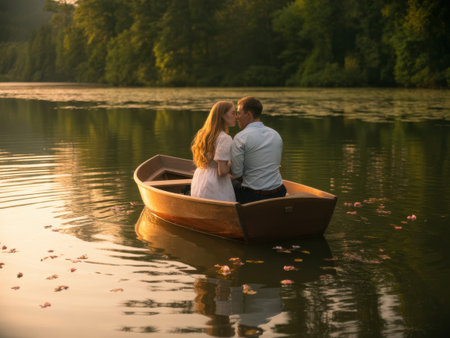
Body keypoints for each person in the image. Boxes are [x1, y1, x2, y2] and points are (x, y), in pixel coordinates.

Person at [231, 96, 286, 203]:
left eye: (239, 113)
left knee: (230, 183)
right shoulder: (275, 134)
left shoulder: (241, 137)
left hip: (253, 196)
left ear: (248, 114)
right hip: (279, 192)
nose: (237, 117)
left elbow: (236, 174)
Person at [190, 101, 236, 202]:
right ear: (223, 115)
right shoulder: (225, 138)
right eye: (233, 113)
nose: (235, 116)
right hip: (215, 184)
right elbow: (222, 171)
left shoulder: (203, 134)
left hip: (200, 179)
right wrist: (232, 163)